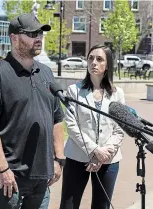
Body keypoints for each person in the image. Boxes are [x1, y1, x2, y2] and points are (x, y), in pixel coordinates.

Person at [0, 13, 65, 209]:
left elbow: (57, 118)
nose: (38, 38)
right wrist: (2, 168)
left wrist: (59, 159)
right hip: (10, 179)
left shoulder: (47, 73)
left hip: (42, 176)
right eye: (32, 34)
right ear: (14, 38)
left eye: (40, 33)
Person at [60, 44, 125, 209]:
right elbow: (71, 125)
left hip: (108, 160)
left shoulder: (117, 94)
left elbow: (119, 129)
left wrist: (103, 154)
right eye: (91, 58)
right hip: (77, 157)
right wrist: (94, 150)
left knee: (101, 206)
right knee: (68, 205)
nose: (94, 62)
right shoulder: (74, 90)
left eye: (99, 59)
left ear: (107, 65)